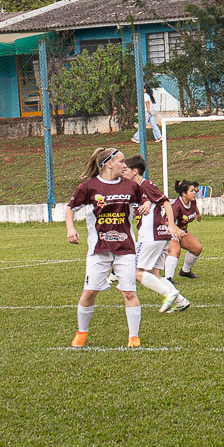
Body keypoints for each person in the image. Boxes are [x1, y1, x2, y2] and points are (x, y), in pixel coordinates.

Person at [65, 147, 152, 348]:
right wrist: (70, 228)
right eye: (121, 161)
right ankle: (81, 333)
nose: (125, 165)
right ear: (109, 164)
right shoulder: (89, 187)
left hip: (125, 248)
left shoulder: (131, 186)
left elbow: (144, 199)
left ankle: (134, 337)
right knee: (89, 293)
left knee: (129, 292)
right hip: (99, 249)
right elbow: (70, 208)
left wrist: (146, 205)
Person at [122, 155, 190, 313]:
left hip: (151, 235)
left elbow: (165, 202)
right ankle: (181, 302)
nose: (123, 172)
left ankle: (170, 293)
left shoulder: (145, 185)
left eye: (125, 170)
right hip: (159, 236)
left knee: (137, 272)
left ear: (135, 171)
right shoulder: (137, 188)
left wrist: (171, 224)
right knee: (154, 274)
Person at [166, 180, 203, 280]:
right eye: (191, 191)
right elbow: (167, 222)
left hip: (181, 231)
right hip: (167, 231)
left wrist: (198, 213)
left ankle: (185, 271)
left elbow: (194, 206)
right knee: (175, 250)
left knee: (197, 248)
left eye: (194, 190)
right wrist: (177, 231)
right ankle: (168, 279)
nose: (194, 192)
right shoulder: (176, 206)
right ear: (184, 194)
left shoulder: (192, 200)